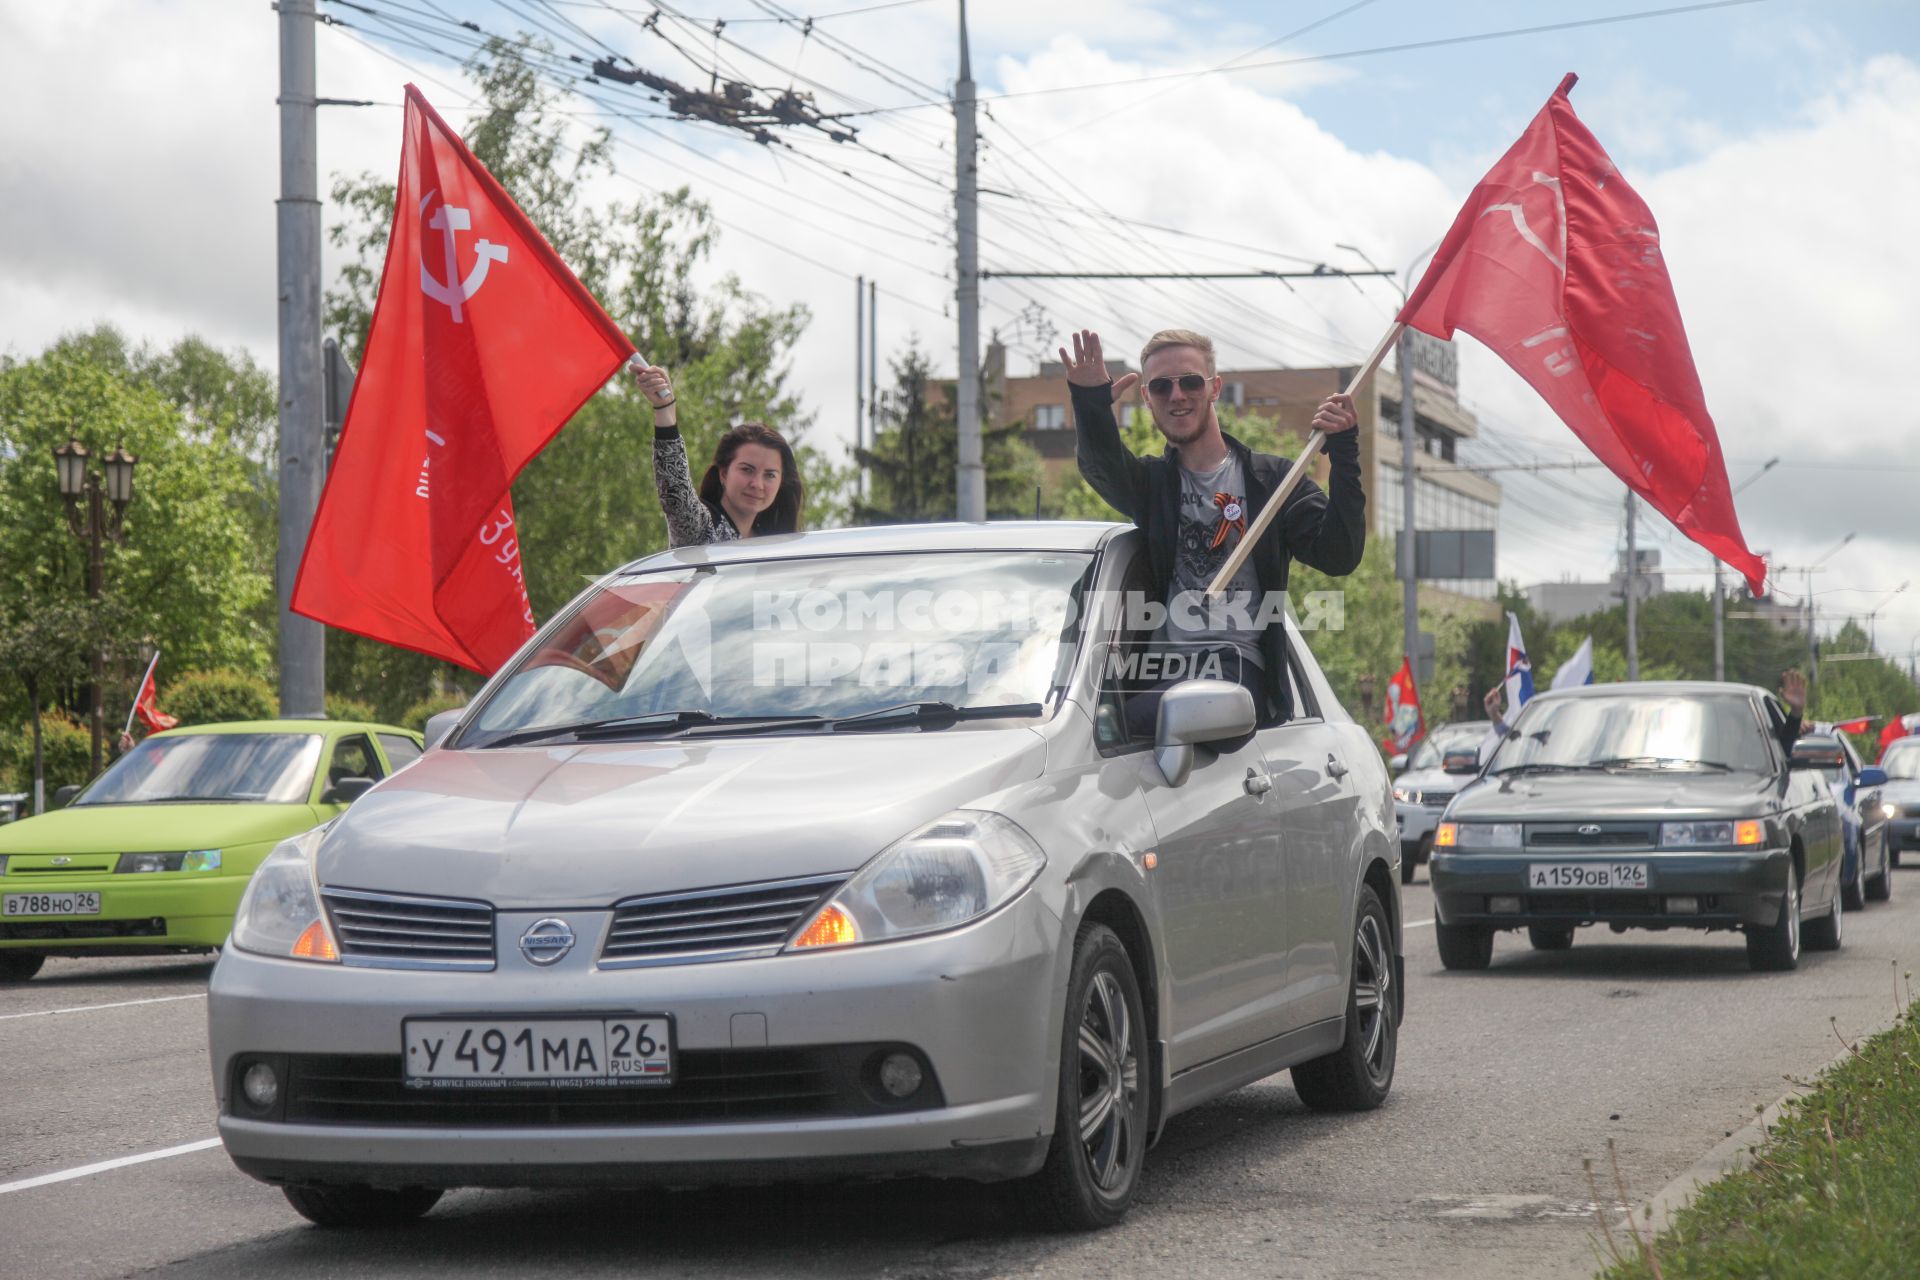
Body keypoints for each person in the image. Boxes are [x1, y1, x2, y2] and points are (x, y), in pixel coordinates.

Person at [1061, 327, 1365, 735]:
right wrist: (1090, 402)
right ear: (1147, 399)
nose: (1177, 396)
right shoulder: (1153, 486)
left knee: (1118, 729)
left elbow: (1340, 554)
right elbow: (1102, 467)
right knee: (1102, 730)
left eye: (1189, 382)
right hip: (1160, 675)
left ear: (1215, 388)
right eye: (1161, 387)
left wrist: (1344, 452)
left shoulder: (1271, 482)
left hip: (1235, 672)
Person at [632, 361, 804, 546]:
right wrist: (665, 409)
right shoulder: (702, 529)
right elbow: (676, 494)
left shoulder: (777, 548)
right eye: (747, 470)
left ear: (781, 483)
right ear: (723, 473)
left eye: (770, 475)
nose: (757, 484)